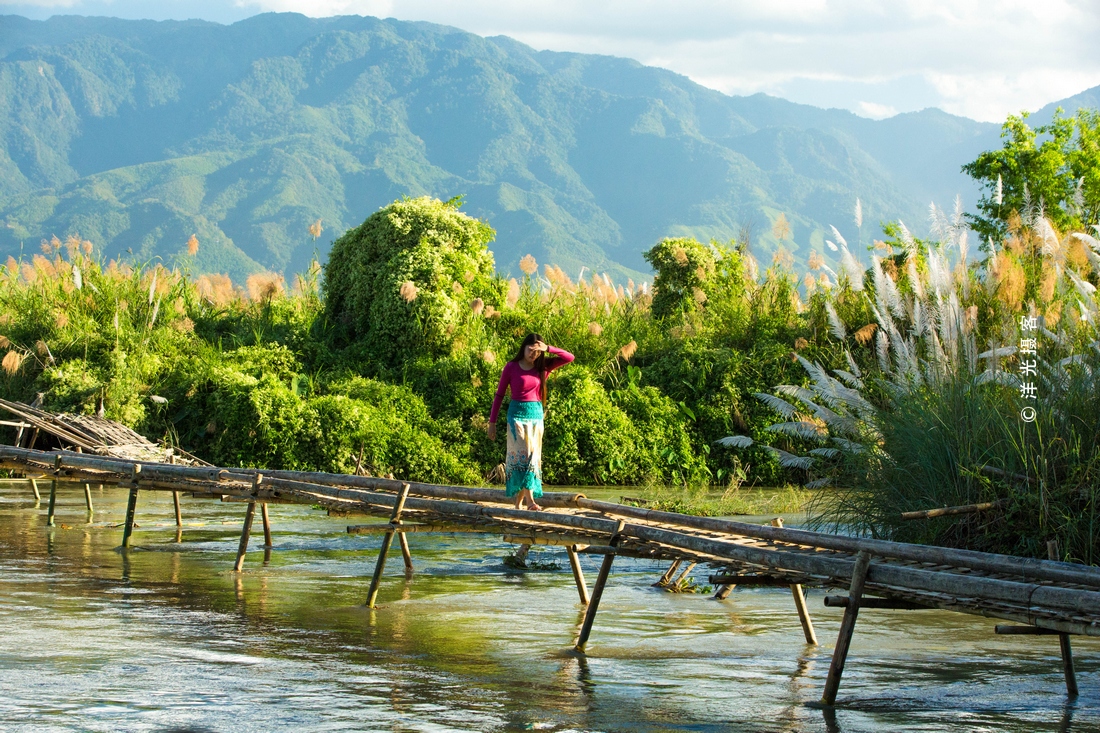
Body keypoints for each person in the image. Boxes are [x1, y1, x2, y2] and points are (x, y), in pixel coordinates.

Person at [488, 333, 574, 510]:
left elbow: (569, 357)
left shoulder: (544, 367)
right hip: (516, 417)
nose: (533, 354)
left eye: (537, 351)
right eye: (530, 349)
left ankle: (519, 502)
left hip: (535, 415)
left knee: (532, 458)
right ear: (524, 347)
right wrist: (492, 422)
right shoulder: (511, 367)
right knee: (525, 456)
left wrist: (548, 348)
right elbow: (499, 395)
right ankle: (531, 502)